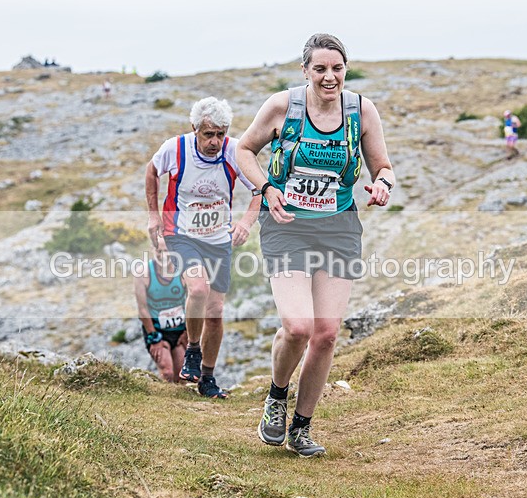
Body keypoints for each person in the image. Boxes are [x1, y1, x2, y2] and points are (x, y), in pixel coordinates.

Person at [236, 33, 395, 457]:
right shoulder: (281, 106)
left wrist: (381, 185)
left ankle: (301, 427)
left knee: (325, 334)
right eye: (320, 69)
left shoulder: (361, 110)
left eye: (337, 68)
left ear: (346, 69)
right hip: (287, 224)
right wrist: (267, 188)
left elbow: (383, 166)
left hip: (338, 227)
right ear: (305, 70)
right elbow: (243, 150)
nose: (330, 77)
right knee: (298, 326)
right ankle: (276, 397)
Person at [146, 97, 261, 398]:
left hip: (218, 239)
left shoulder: (236, 151)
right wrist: (152, 216)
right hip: (181, 234)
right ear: (194, 129)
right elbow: (151, 172)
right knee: (197, 288)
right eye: (208, 134)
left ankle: (207, 378)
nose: (215, 141)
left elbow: (261, 189)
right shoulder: (175, 148)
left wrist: (246, 223)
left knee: (216, 311)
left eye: (220, 134)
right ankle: (193, 350)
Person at [134, 236, 188, 383]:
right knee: (167, 372)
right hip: (157, 331)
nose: (163, 255)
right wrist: (154, 338)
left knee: (182, 376)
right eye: (159, 251)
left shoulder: (183, 270)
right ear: (153, 249)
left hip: (179, 331)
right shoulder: (142, 273)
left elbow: (193, 304)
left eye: (167, 251)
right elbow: (142, 310)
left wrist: (188, 332)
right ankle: (166, 401)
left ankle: (181, 405)